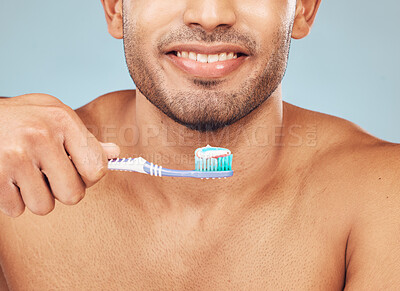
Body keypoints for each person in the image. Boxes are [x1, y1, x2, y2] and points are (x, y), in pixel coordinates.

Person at [0, 0, 398, 289]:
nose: (210, 15)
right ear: (116, 8)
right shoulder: (16, 172)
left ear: (304, 9)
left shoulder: (383, 194)